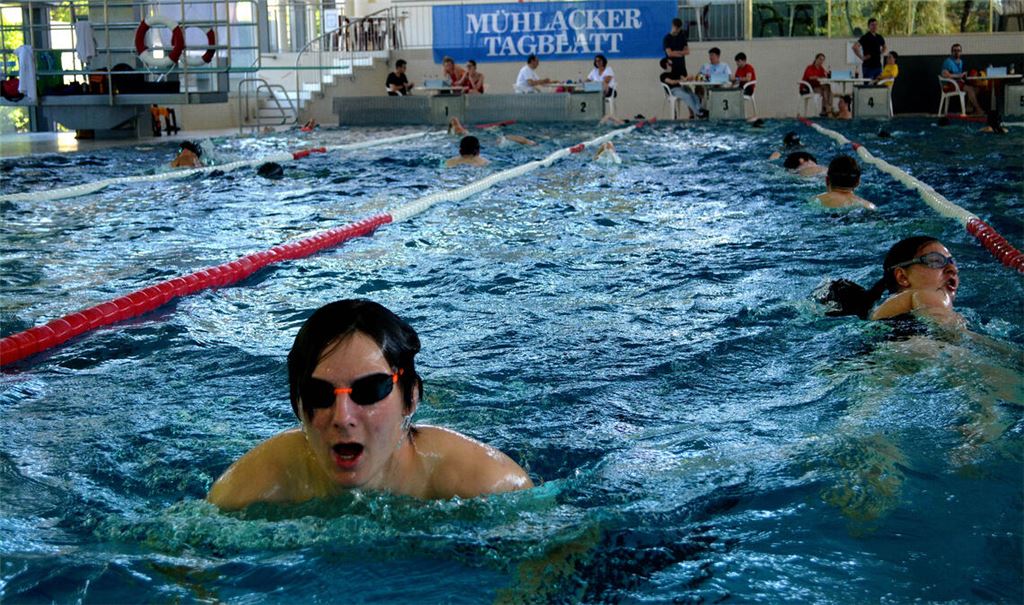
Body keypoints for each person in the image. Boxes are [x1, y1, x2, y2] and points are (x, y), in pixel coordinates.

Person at [207, 299, 533, 510]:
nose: (343, 416)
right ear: (297, 404)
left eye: (369, 390)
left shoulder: (489, 485)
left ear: (410, 398)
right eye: (320, 394)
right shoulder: (251, 488)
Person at [818, 236, 960, 325]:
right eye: (935, 261)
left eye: (953, 262)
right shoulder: (919, 295)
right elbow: (951, 335)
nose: (953, 269)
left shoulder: (887, 313)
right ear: (902, 277)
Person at [941, 43, 983, 115]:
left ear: (961, 52)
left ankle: (969, 108)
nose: (957, 52)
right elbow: (944, 74)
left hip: (959, 83)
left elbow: (960, 75)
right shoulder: (948, 61)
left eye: (958, 50)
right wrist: (959, 75)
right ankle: (978, 109)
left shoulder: (961, 62)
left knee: (977, 89)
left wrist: (964, 75)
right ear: (951, 52)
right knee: (970, 90)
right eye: (955, 50)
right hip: (951, 84)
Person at [802, 53, 833, 118]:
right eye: (820, 59)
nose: (821, 61)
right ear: (816, 59)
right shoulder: (810, 67)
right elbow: (810, 77)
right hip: (810, 87)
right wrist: (818, 77)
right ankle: (827, 110)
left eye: (823, 60)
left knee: (828, 89)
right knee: (825, 90)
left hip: (819, 87)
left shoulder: (821, 68)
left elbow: (824, 77)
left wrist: (827, 75)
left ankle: (825, 109)